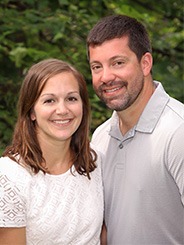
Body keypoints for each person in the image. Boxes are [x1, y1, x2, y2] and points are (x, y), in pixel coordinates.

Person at [87, 14, 184, 245]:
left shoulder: (178, 131)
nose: (106, 77)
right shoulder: (100, 137)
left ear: (145, 63)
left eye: (118, 63)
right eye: (96, 67)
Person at [0, 58, 104, 245]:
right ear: (31, 111)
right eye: (49, 100)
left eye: (71, 98)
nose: (62, 110)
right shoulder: (9, 177)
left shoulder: (96, 163)